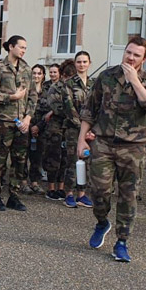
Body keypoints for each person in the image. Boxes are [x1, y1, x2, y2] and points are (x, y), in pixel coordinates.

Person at [78, 37, 146, 263]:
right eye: (128, 52)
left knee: (128, 196)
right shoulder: (106, 76)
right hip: (104, 143)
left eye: (136, 55)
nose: (130, 57)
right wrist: (81, 140)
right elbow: (90, 109)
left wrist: (135, 81)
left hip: (133, 147)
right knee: (99, 191)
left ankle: (122, 241)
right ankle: (102, 222)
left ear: (144, 59)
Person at [0, 35, 37, 212]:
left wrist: (28, 118)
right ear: (11, 47)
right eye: (21, 47)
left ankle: (14, 196)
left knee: (20, 161)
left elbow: (33, 97)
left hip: (21, 123)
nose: (23, 50)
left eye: (25, 48)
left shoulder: (26, 70)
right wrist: (11, 97)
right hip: (3, 122)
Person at [62, 51, 94, 208]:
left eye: (84, 62)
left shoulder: (94, 84)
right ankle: (69, 193)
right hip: (74, 129)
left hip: (91, 132)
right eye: (79, 62)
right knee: (72, 161)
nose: (82, 65)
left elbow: (99, 107)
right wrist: (82, 128)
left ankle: (82, 194)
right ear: (75, 64)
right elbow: (69, 108)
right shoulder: (68, 84)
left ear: (89, 63)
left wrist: (92, 129)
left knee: (86, 162)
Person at [41, 60, 73, 202]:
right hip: (55, 128)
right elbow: (57, 108)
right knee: (54, 158)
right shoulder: (55, 88)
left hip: (69, 127)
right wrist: (73, 113)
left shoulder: (74, 87)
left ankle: (61, 188)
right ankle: (51, 188)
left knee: (65, 159)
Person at [24, 63, 47, 195]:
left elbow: (49, 111)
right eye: (34, 73)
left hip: (41, 128)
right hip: (26, 126)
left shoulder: (47, 91)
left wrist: (38, 126)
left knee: (37, 157)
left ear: (43, 76)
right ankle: (22, 182)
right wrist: (30, 125)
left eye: (39, 73)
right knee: (23, 156)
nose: (36, 76)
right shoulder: (26, 90)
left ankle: (34, 182)